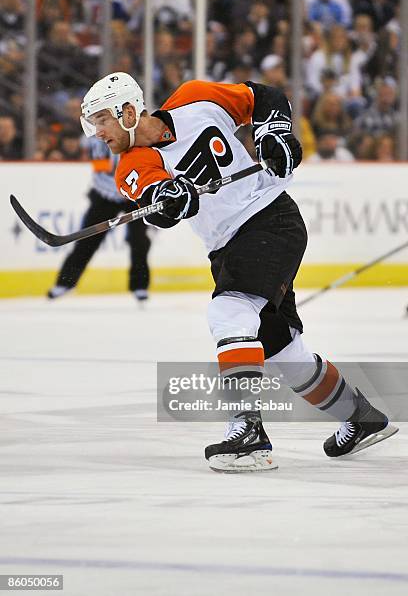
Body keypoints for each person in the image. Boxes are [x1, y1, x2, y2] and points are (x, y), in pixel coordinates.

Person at [79, 72, 398, 472]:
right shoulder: (131, 164)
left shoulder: (195, 99)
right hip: (228, 248)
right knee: (284, 352)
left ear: (128, 111)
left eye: (102, 120)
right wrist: (170, 198)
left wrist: (273, 134)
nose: (98, 132)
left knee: (229, 315)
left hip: (268, 219)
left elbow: (264, 96)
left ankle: (248, 434)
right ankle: (361, 418)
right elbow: (162, 205)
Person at [47, 136, 151, 303]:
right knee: (87, 240)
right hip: (104, 194)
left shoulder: (133, 130)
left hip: (134, 194)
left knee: (139, 240)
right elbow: (88, 155)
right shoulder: (92, 136)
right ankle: (65, 283)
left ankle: (139, 285)